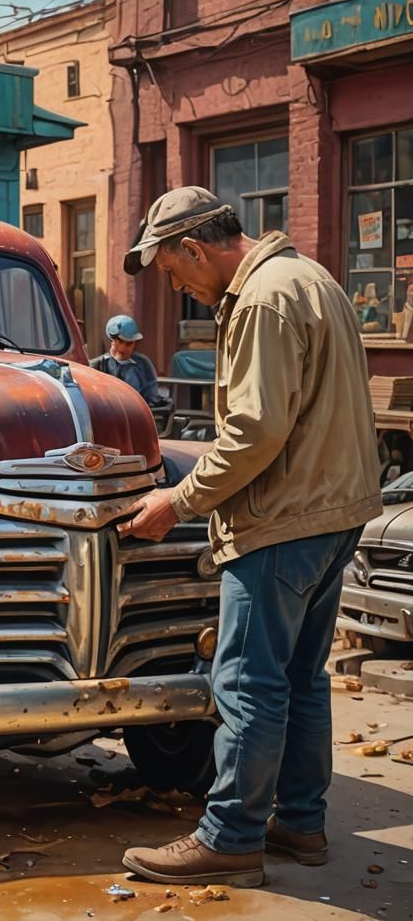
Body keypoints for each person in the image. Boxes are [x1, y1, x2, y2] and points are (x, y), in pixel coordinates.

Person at [117, 186, 382, 887]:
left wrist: (179, 500)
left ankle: (229, 837)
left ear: (194, 248)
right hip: (334, 510)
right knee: (301, 678)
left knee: (245, 681)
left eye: (173, 272)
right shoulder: (310, 277)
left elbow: (255, 431)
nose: (176, 287)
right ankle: (300, 822)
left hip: (282, 518)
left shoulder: (263, 298)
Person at [89, 314, 165, 408]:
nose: (125, 348)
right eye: (121, 342)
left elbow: (152, 396)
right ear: (113, 341)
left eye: (129, 343)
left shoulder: (143, 364)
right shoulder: (98, 365)